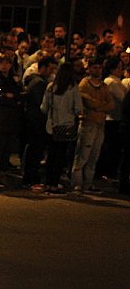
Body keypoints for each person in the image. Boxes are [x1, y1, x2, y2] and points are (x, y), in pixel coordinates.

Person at [70, 56, 114, 194]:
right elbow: (89, 103)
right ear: (89, 68)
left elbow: (111, 104)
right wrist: (101, 105)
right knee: (82, 155)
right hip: (87, 123)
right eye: (95, 67)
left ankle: (87, 184)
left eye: (100, 67)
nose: (98, 70)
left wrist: (98, 106)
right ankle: (77, 183)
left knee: (94, 156)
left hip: (100, 124)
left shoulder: (103, 86)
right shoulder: (84, 84)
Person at [40, 63, 83, 194]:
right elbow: (78, 108)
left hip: (52, 126)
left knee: (51, 156)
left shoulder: (51, 87)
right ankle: (54, 184)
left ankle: (47, 183)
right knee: (60, 156)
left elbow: (43, 108)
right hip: (67, 126)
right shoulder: (73, 88)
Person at [22, 56, 58, 190]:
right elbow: (40, 105)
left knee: (33, 151)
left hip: (33, 122)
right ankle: (31, 178)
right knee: (35, 152)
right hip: (36, 123)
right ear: (42, 68)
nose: (52, 72)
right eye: (50, 68)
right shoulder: (39, 83)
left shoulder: (35, 81)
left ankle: (30, 177)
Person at [0, 55, 21, 186]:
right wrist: (8, 96)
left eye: (7, 63)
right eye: (2, 63)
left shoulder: (12, 79)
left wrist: (11, 96)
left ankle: (2, 174)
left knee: (6, 149)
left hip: (9, 120)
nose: (4, 66)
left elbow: (18, 94)